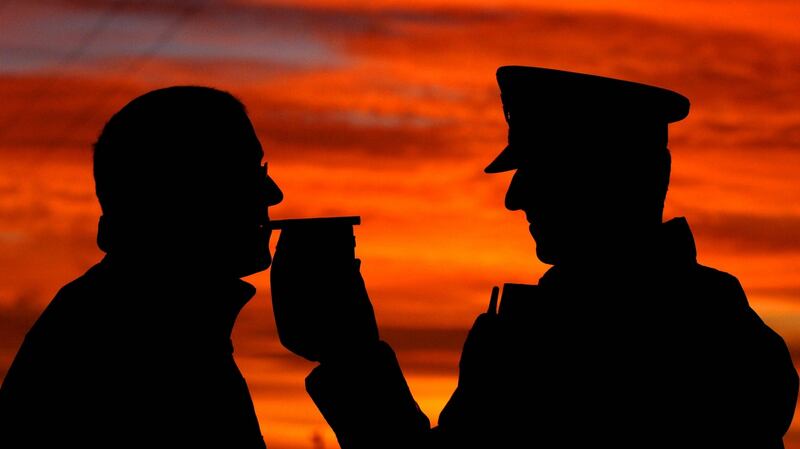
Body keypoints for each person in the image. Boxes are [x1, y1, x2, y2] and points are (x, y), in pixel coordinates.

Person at [270, 66, 799, 448]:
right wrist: (351, 356)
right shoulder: (705, 317)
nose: (514, 197)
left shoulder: (677, 331)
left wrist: (351, 357)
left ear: (608, 178)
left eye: (540, 172)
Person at [0, 86, 283, 447]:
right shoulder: (131, 342)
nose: (273, 193)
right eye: (245, 173)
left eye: (262, 170)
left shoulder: (176, 326)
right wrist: (349, 360)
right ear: (183, 190)